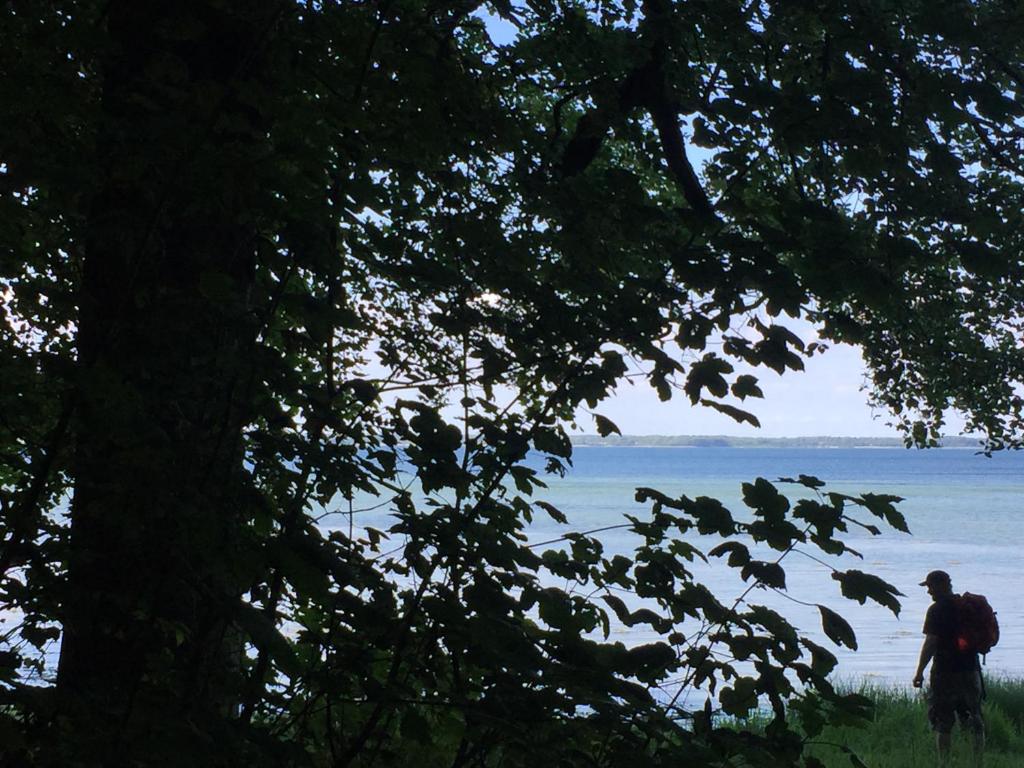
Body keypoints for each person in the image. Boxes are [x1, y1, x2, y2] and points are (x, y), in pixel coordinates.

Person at [912, 570, 984, 766]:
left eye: (930, 586)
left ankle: (943, 763)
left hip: (945, 671)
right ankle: (977, 761)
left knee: (943, 720)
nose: (928, 591)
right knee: (974, 715)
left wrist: (919, 671)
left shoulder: (936, 610)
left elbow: (931, 642)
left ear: (942, 585)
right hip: (971, 669)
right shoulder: (965, 606)